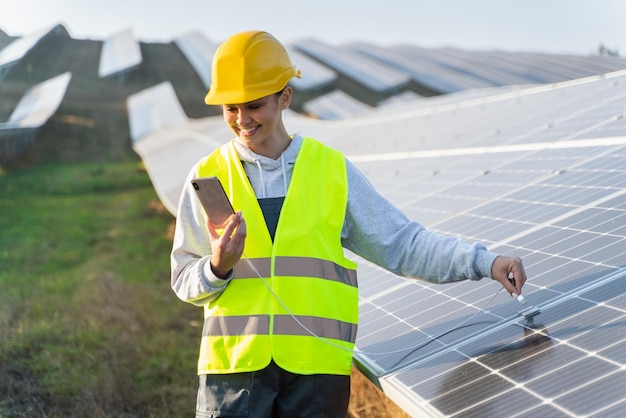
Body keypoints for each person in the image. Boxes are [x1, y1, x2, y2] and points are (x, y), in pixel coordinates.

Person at [170, 30, 527, 418]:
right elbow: (183, 278)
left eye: (253, 105)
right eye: (230, 108)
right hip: (234, 376)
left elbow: (402, 245)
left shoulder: (331, 171)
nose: (242, 120)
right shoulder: (207, 175)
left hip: (317, 377)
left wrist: (483, 262)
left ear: (284, 97)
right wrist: (217, 266)